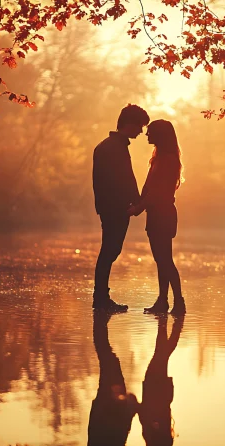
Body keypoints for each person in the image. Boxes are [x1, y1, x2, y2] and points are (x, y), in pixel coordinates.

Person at [92, 104, 150, 312]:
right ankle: (100, 299)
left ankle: (101, 297)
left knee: (109, 251)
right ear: (129, 124)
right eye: (140, 126)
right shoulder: (114, 148)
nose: (141, 131)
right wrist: (135, 202)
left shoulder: (107, 146)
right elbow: (123, 179)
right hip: (115, 209)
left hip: (109, 208)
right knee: (109, 251)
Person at [127, 119, 185, 315]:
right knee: (161, 260)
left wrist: (138, 208)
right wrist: (139, 204)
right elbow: (148, 187)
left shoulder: (168, 160)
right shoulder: (159, 157)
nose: (146, 134)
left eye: (150, 131)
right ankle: (163, 301)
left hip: (163, 214)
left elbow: (158, 192)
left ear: (160, 134)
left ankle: (178, 302)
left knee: (165, 260)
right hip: (156, 214)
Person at [87, 312, 139, 446]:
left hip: (109, 407)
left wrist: (132, 406)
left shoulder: (115, 443)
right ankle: (99, 319)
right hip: (105, 409)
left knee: (109, 360)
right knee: (108, 359)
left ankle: (99, 318)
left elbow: (122, 426)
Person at [138, 315, 184, 446]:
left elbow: (144, 415)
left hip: (163, 393)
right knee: (162, 354)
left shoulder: (162, 439)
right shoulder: (153, 436)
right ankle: (173, 324)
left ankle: (168, 324)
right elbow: (145, 415)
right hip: (155, 390)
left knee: (161, 353)